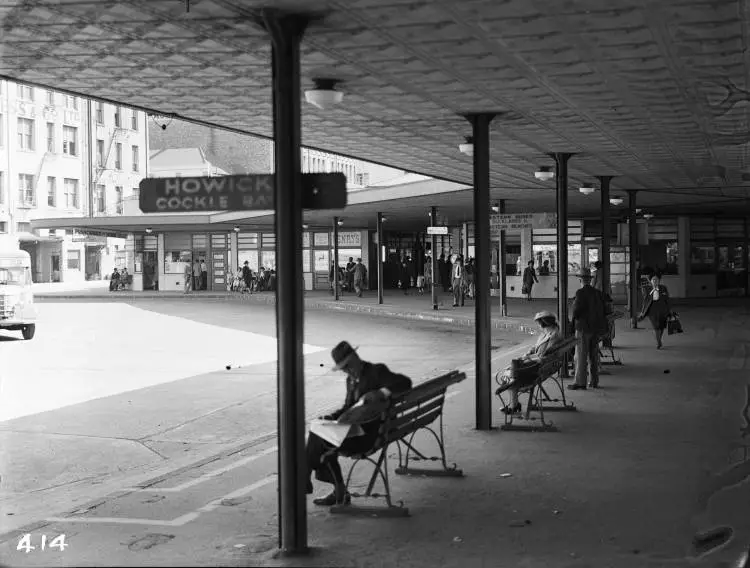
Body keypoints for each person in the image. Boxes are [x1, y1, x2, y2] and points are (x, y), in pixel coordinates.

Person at [306, 341, 412, 506]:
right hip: (361, 431)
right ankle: (317, 481)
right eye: (343, 368)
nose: (347, 370)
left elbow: (405, 383)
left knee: (320, 441)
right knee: (319, 432)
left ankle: (316, 482)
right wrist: (331, 417)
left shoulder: (376, 372)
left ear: (355, 357)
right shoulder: (350, 380)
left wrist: (381, 392)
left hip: (370, 436)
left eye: (348, 365)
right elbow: (348, 408)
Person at [496, 311, 563, 414]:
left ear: (543, 323)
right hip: (538, 365)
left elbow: (543, 355)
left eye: (539, 323)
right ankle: (512, 400)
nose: (538, 325)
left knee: (512, 371)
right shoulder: (548, 333)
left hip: (536, 367)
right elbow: (536, 348)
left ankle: (513, 402)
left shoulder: (553, 336)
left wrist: (527, 358)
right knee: (512, 369)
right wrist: (527, 354)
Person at [569, 267, 608, 390]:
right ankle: (594, 381)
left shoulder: (580, 293)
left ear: (580, 279)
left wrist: (572, 323)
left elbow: (576, 311)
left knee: (580, 356)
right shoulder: (597, 293)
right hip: (595, 329)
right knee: (593, 355)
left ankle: (580, 382)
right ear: (590, 280)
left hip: (583, 328)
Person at [638, 274, 671, 349]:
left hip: (662, 309)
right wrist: (642, 312)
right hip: (652, 309)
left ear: (659, 281)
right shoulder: (647, 289)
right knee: (656, 326)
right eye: (653, 280)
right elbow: (645, 301)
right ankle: (659, 342)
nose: (655, 281)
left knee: (661, 327)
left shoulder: (663, 288)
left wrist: (669, 310)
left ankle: (659, 339)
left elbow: (667, 299)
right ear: (650, 281)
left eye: (656, 279)